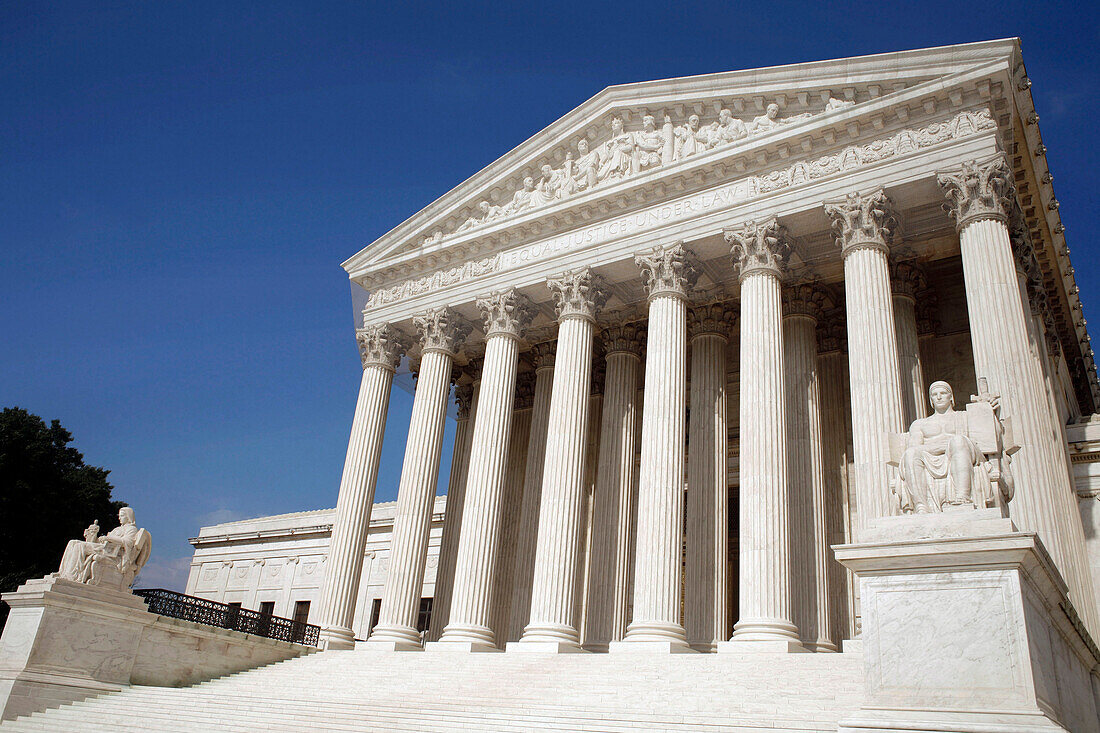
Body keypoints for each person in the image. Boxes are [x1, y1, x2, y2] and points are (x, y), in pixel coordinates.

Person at [898, 382, 985, 513]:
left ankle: (962, 497)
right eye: (934, 394)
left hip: (962, 453)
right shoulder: (920, 424)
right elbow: (914, 448)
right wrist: (941, 446)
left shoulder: (965, 417)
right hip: (931, 459)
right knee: (911, 454)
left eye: (943, 393)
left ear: (951, 397)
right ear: (931, 399)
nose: (938, 397)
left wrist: (989, 410)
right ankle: (921, 505)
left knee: (958, 441)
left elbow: (985, 438)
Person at [57, 506, 150, 587]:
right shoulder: (117, 529)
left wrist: (109, 538)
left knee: (80, 547)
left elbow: (127, 542)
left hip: (113, 553)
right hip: (105, 548)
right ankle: (64, 572)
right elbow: (102, 541)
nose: (119, 518)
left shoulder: (131, 529)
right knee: (73, 542)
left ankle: (72, 575)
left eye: (122, 516)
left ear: (128, 516)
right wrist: (93, 535)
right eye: (119, 516)